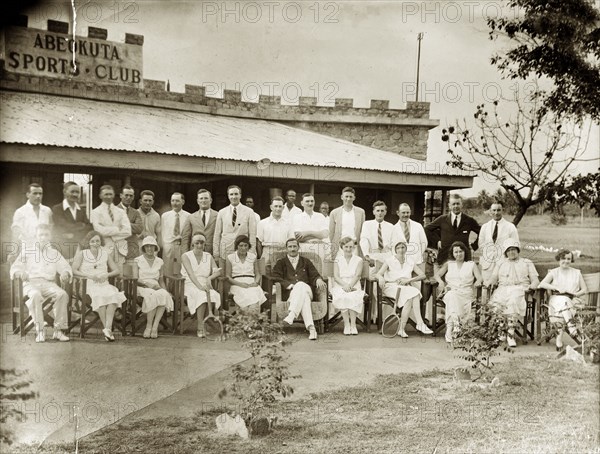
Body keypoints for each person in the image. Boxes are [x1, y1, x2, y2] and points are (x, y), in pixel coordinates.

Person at [10, 224, 71, 343]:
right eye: (40, 235)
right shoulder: (27, 251)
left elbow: (64, 267)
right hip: (30, 283)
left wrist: (65, 272)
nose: (43, 237)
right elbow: (15, 268)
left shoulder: (54, 253)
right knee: (35, 295)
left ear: (50, 236)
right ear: (36, 236)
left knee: (62, 294)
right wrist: (20, 273)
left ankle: (58, 331)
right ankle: (40, 331)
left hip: (49, 284)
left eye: (46, 235)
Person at [72, 230, 127, 342]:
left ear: (100, 242)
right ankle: (108, 329)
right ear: (88, 242)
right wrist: (89, 276)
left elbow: (116, 270)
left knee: (113, 297)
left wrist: (107, 274)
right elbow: (74, 270)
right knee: (100, 297)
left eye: (97, 241)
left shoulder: (105, 254)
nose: (95, 243)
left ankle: (107, 329)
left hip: (104, 284)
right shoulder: (82, 254)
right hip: (88, 285)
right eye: (92, 241)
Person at [487, 239, 539, 347]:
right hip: (503, 289)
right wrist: (489, 283)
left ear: (518, 250)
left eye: (514, 249)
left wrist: (532, 286)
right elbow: (493, 277)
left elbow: (535, 279)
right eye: (509, 250)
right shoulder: (500, 263)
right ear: (505, 252)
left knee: (512, 301)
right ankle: (502, 331)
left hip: (520, 289)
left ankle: (510, 334)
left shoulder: (527, 262)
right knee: (497, 303)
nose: (511, 252)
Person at [272, 238, 327, 340]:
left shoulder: (306, 261)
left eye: (294, 246)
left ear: (298, 247)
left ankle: (292, 314)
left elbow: (314, 275)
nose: (292, 249)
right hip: (290, 294)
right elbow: (275, 277)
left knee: (301, 284)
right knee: (304, 298)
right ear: (286, 248)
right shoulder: (281, 262)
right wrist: (290, 285)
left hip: (307, 290)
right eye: (290, 246)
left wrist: (318, 279)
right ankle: (311, 329)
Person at [375, 241, 433, 337]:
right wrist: (381, 278)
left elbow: (423, 275)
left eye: (403, 247)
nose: (401, 250)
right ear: (395, 250)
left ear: (406, 249)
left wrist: (408, 280)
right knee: (414, 292)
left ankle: (402, 329)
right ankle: (420, 323)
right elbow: (378, 274)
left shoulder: (410, 261)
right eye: (398, 248)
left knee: (409, 298)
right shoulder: (389, 260)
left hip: (405, 288)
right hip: (391, 287)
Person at [538, 249, 588, 350]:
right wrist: (556, 288)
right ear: (558, 259)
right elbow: (541, 284)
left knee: (564, 304)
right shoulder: (554, 272)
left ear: (571, 260)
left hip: (573, 300)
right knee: (563, 301)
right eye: (563, 258)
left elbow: (584, 289)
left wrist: (575, 294)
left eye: (568, 259)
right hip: (556, 299)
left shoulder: (576, 273)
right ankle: (571, 326)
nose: (566, 261)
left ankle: (559, 338)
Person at [434, 241, 483, 343]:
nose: (458, 254)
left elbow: (479, 278)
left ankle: (449, 329)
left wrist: (478, 282)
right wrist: (440, 282)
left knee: (453, 300)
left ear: (465, 252)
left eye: (461, 251)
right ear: (452, 253)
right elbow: (437, 275)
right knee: (452, 295)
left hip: (465, 292)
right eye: (456, 252)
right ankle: (456, 325)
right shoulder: (449, 264)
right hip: (451, 291)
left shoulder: (471, 265)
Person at [181, 233, 222, 338]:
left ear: (205, 244)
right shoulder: (186, 256)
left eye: (202, 243)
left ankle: (203, 324)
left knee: (212, 294)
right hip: (189, 284)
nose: (199, 245)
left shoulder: (208, 256)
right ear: (192, 244)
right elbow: (190, 274)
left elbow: (217, 272)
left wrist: (209, 278)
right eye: (197, 243)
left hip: (205, 283)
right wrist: (199, 287)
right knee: (201, 295)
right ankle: (200, 326)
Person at [134, 236, 174, 339]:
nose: (149, 249)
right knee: (152, 295)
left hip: (156, 286)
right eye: (147, 246)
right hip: (141, 286)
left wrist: (165, 290)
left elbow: (161, 280)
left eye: (152, 246)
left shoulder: (159, 261)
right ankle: (148, 326)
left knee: (163, 294)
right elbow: (135, 279)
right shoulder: (137, 260)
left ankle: (155, 326)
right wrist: (148, 285)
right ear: (143, 248)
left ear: (155, 248)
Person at [425, 193, 480, 264]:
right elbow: (427, 229)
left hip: (463, 258)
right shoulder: (442, 219)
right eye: (453, 204)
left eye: (458, 204)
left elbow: (482, 232)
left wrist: (474, 246)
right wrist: (437, 241)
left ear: (461, 205)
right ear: (449, 206)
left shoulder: (469, 220)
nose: (456, 206)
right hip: (445, 257)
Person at [90, 185, 131, 267]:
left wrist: (108, 232)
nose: (109, 197)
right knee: (103, 273)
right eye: (106, 194)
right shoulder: (95, 212)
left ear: (114, 195)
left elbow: (128, 231)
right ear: (100, 196)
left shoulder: (121, 212)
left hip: (120, 250)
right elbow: (98, 231)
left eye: (110, 194)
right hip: (104, 248)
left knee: (119, 276)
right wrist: (117, 229)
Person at [331, 237, 365, 335]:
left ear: (354, 247)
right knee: (343, 296)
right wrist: (345, 285)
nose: (349, 249)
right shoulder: (337, 260)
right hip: (340, 284)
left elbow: (358, 275)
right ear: (342, 247)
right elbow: (336, 276)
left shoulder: (359, 260)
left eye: (351, 247)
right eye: (346, 247)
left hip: (354, 284)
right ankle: (346, 324)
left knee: (352, 296)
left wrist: (350, 286)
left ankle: (353, 325)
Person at [478, 201, 520, 282]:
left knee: (502, 286)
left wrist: (506, 258)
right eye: (494, 210)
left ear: (502, 210)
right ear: (490, 211)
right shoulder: (485, 227)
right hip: (487, 264)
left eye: (498, 210)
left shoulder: (510, 227)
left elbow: (516, 245)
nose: (496, 213)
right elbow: (481, 244)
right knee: (486, 287)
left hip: (504, 263)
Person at [214, 185, 257, 261]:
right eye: (231, 194)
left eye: (236, 194)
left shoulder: (249, 212)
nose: (234, 197)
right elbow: (217, 234)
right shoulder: (222, 212)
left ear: (240, 195)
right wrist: (216, 253)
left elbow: (252, 234)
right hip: (225, 251)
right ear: (228, 196)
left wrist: (252, 251)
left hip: (243, 250)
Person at [226, 235, 266, 313]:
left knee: (254, 294)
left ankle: (252, 321)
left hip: (251, 282)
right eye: (241, 245)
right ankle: (244, 321)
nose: (243, 248)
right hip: (237, 284)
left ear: (248, 246)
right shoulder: (230, 257)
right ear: (236, 246)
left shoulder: (253, 257)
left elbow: (257, 274)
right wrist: (240, 284)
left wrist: (256, 282)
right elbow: (228, 276)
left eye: (245, 245)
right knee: (242, 295)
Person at [52, 181, 91, 260]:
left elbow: (89, 227)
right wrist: (81, 225)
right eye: (72, 192)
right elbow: (62, 226)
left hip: (79, 246)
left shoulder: (81, 210)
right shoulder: (57, 209)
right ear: (65, 192)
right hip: (63, 247)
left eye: (77, 192)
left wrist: (73, 233)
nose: (75, 194)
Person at [256, 196, 294, 269]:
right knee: (265, 276)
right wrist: (262, 257)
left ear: (283, 208)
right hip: (267, 252)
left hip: (283, 252)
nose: (278, 209)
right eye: (275, 206)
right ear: (271, 207)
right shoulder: (262, 223)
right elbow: (258, 243)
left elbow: (291, 241)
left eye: (280, 206)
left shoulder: (288, 223)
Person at [12, 183, 53, 249]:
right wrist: (13, 252)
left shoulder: (47, 210)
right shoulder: (20, 212)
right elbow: (15, 234)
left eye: (40, 193)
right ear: (28, 195)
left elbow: (51, 228)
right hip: (28, 249)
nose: (38, 196)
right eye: (35, 193)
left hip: (46, 248)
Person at [329, 187, 366, 260]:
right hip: (340, 248)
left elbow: (363, 231)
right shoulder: (334, 213)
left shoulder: (360, 212)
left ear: (354, 198)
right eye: (346, 196)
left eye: (350, 197)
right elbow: (331, 233)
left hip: (355, 247)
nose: (348, 199)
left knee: (355, 268)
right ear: (342, 197)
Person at [292, 193, 330, 261]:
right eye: (307, 201)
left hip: (319, 249)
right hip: (304, 248)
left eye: (312, 201)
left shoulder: (320, 216)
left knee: (319, 270)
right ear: (302, 203)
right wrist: (318, 235)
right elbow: (298, 237)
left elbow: (325, 234)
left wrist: (307, 233)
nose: (310, 203)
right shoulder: (297, 217)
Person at [391, 203, 429, 269]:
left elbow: (424, 242)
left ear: (410, 212)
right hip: (401, 263)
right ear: (398, 213)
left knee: (417, 279)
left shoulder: (418, 226)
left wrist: (418, 255)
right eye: (403, 212)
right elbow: (392, 246)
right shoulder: (393, 228)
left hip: (417, 262)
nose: (406, 215)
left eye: (407, 212)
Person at [360, 201, 394, 271]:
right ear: (373, 212)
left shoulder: (391, 226)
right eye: (377, 210)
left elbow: (393, 242)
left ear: (385, 212)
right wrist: (366, 255)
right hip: (373, 256)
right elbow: (364, 240)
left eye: (382, 211)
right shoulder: (367, 225)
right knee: (372, 277)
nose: (380, 213)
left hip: (387, 256)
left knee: (387, 278)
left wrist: (393, 257)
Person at [116, 185, 143, 261]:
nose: (128, 198)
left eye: (131, 196)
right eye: (126, 195)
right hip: (117, 247)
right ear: (121, 195)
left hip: (132, 248)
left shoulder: (136, 212)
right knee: (118, 271)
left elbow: (139, 229)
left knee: (131, 271)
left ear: (133, 197)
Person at [161, 192, 190, 261]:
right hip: (168, 247)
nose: (174, 203)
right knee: (168, 269)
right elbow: (162, 233)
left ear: (183, 202)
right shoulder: (165, 216)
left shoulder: (188, 216)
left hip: (182, 247)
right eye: (172, 200)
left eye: (177, 201)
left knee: (181, 269)